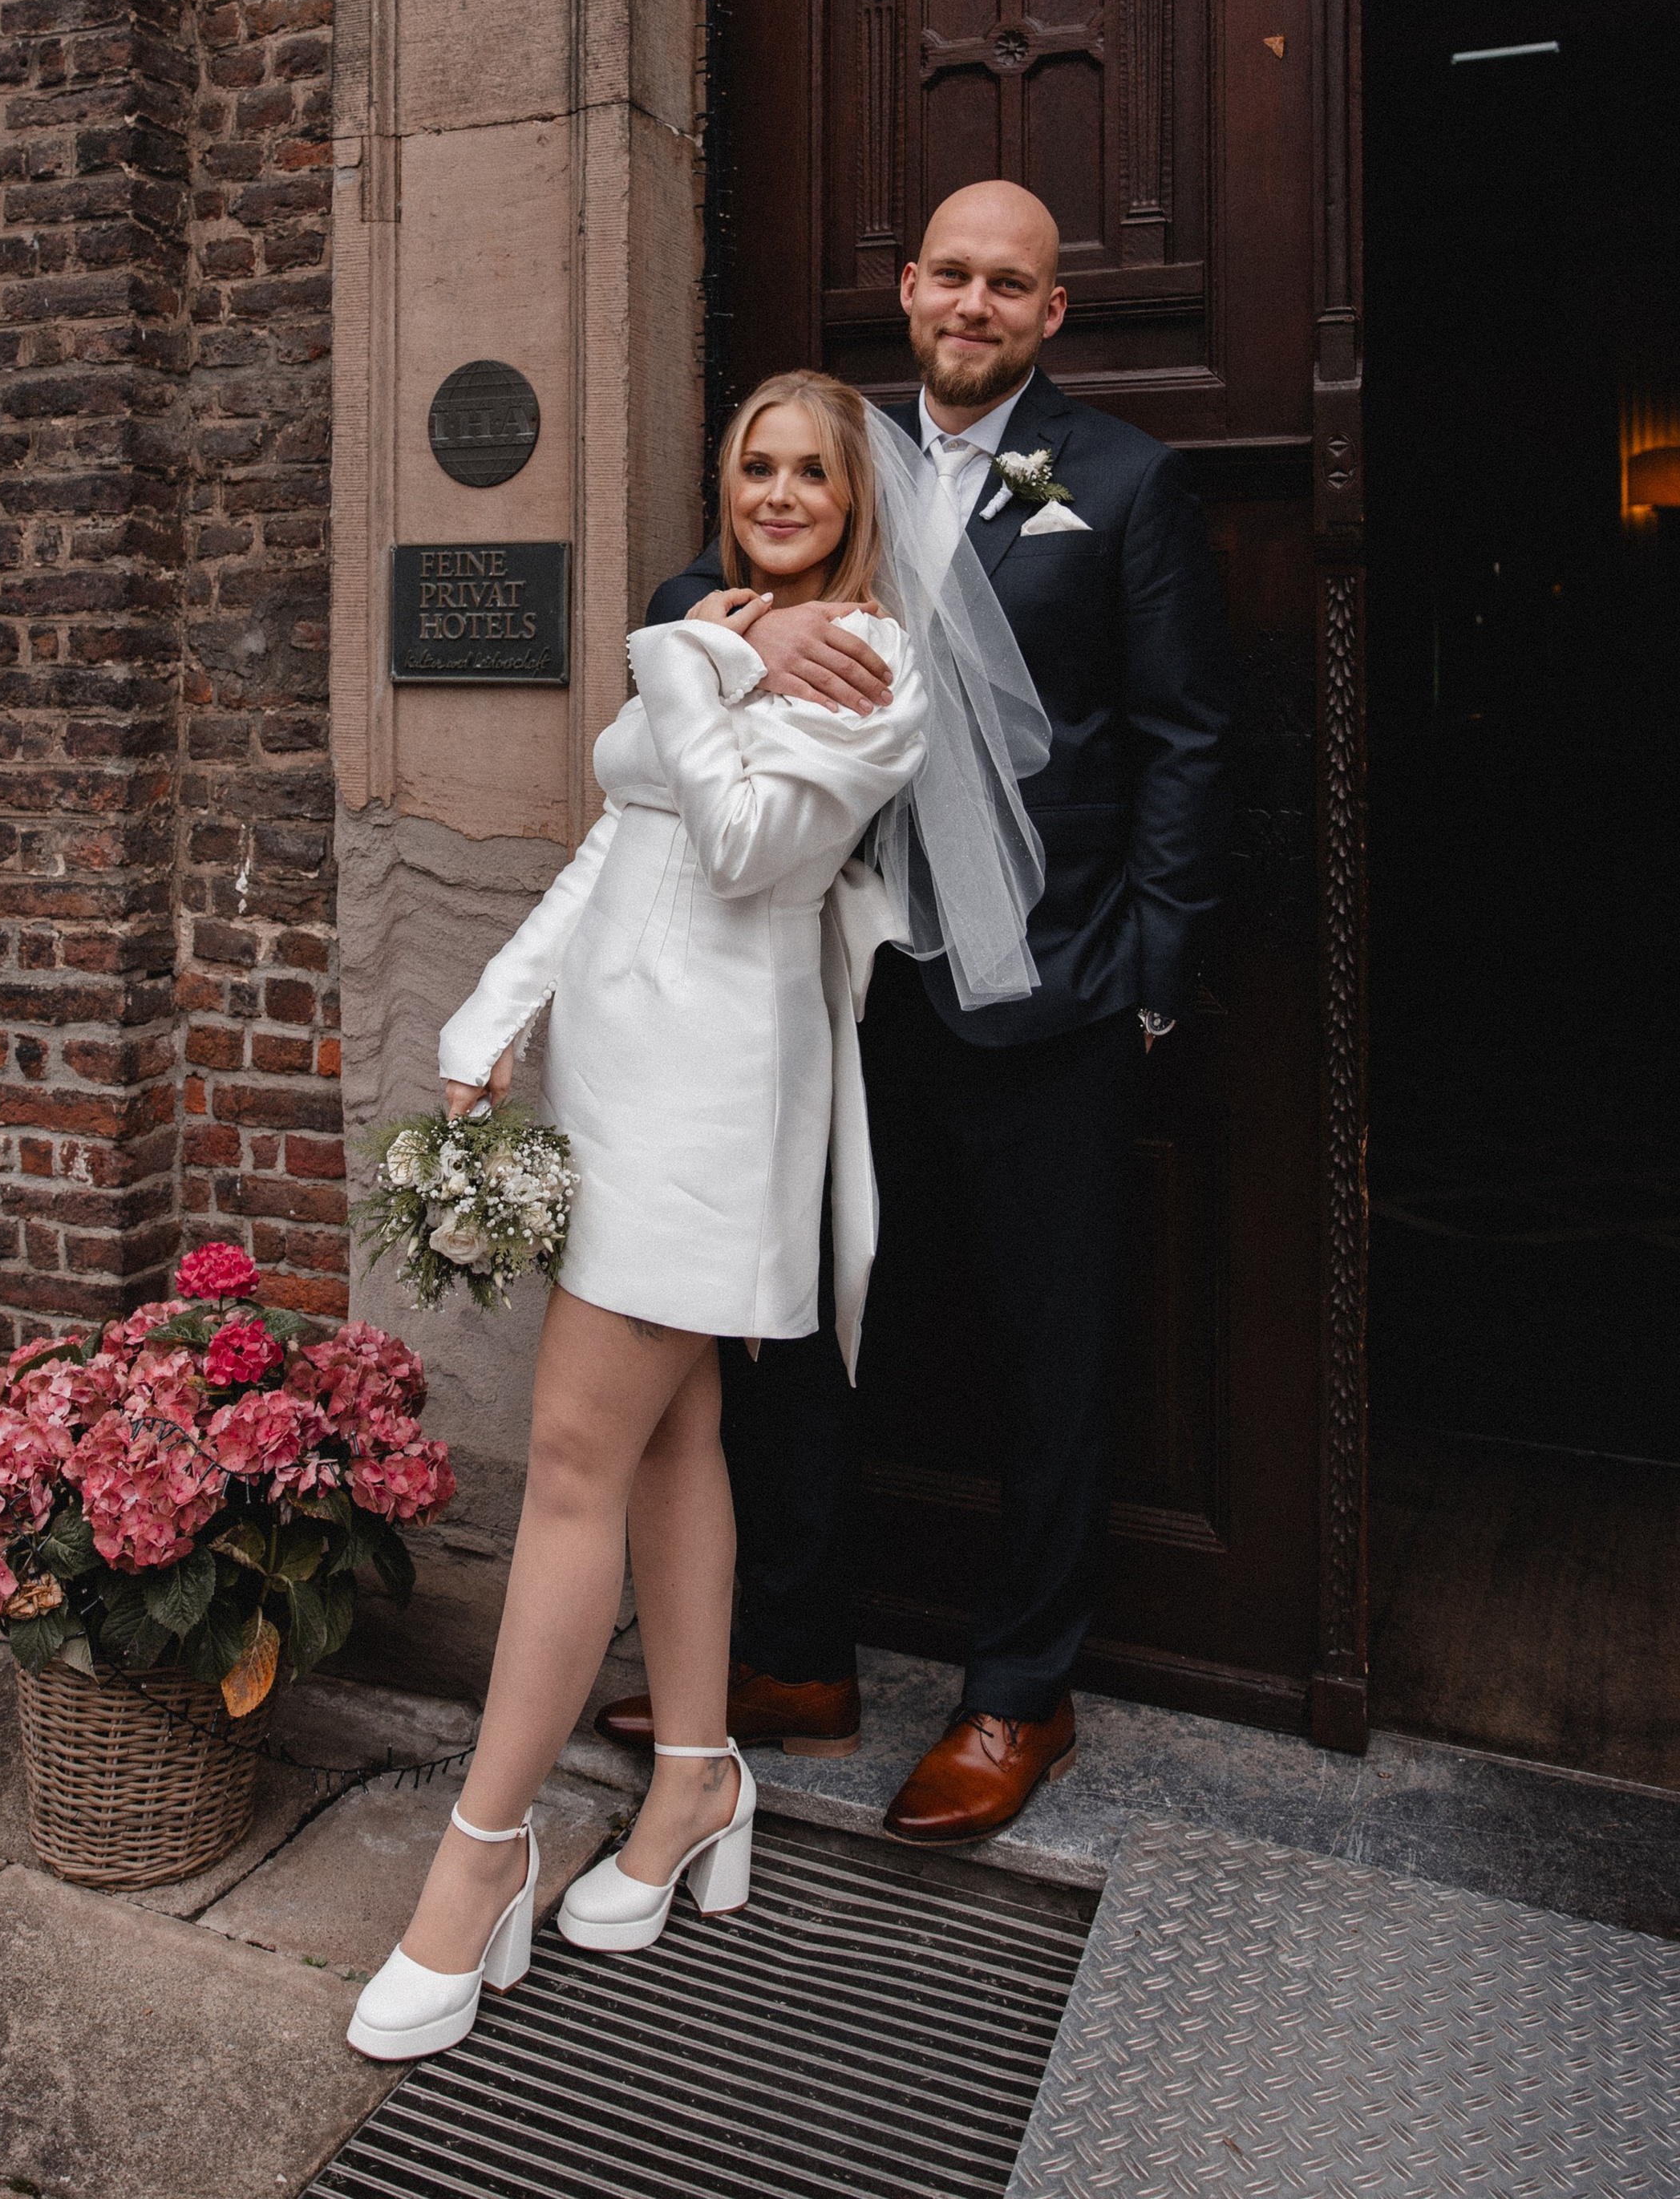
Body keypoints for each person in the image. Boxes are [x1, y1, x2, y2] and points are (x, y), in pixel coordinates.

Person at [348, 367, 1046, 2061]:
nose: (779, 492)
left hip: (715, 1098)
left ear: (854, 502)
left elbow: (740, 847)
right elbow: (623, 836)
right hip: (611, 1066)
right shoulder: (727, 626)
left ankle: (480, 1856)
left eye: (811, 471)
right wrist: (488, 1015)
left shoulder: (869, 668)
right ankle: (690, 1782)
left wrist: (694, 657)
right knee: (672, 1446)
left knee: (569, 1463)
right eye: (754, 464)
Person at [600, 179, 1236, 1843]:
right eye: (950, 274)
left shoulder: (1122, 483)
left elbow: (1181, 739)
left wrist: (1151, 981)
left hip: (1054, 996)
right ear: (905, 290)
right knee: (793, 1334)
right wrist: (766, 624)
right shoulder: (839, 459)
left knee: (1046, 1351)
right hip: (838, 988)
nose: (973, 305)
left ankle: (1020, 1692)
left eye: (1008, 285)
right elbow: (671, 609)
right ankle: (796, 1659)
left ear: (1050, 314)